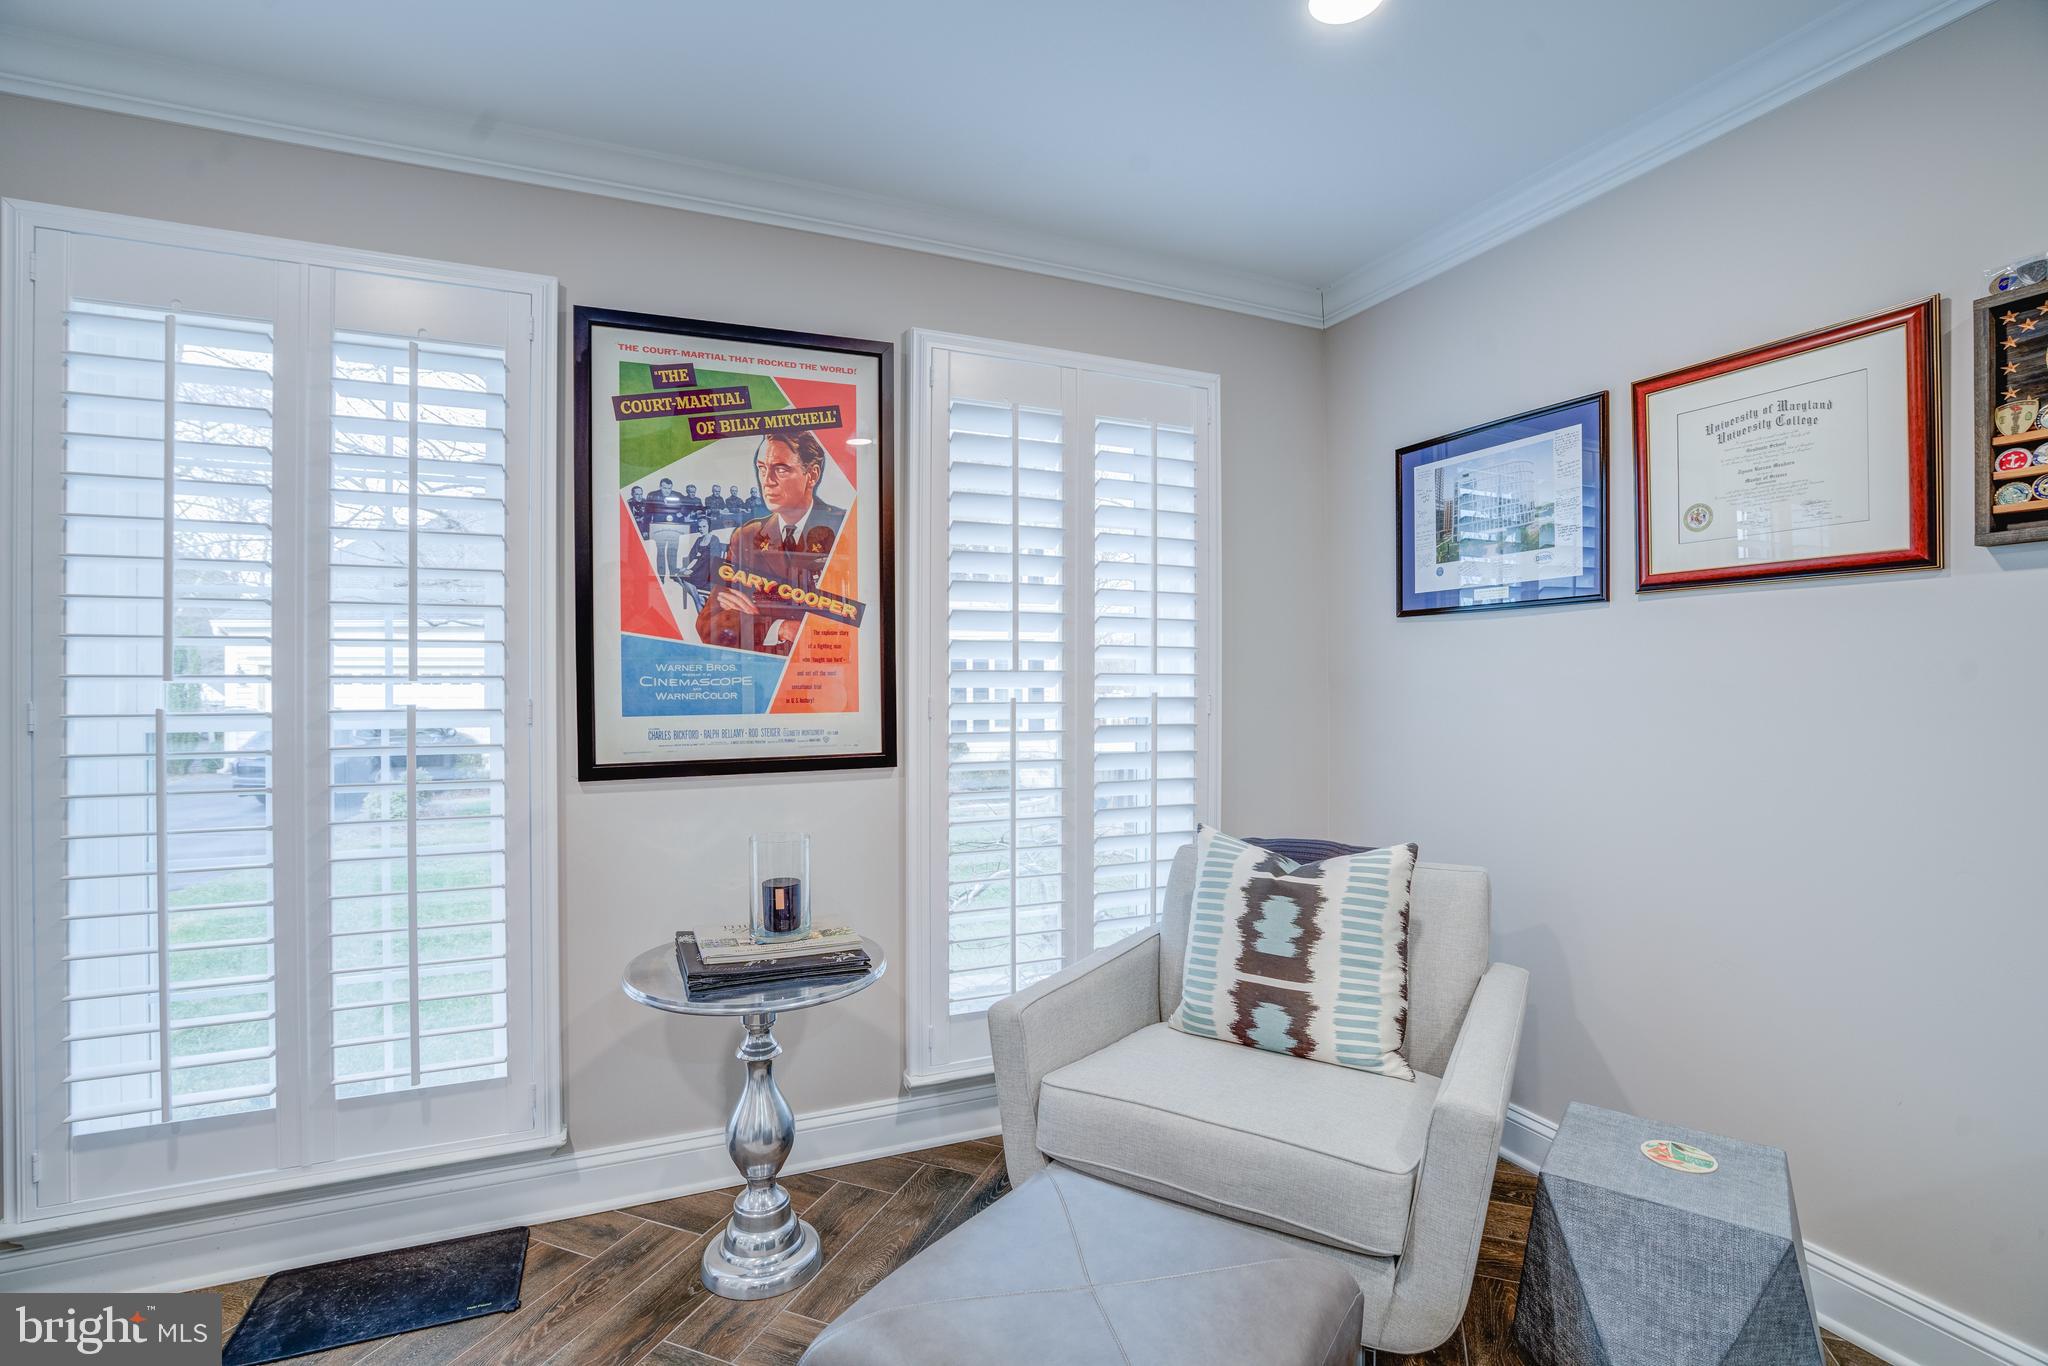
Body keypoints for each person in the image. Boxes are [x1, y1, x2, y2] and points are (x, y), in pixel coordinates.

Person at [695, 430, 845, 654]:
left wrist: (751, 618)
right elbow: (710, 623)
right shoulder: (746, 537)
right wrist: (780, 627)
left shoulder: (845, 528)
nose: (767, 481)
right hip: (765, 666)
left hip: (825, 663)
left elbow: (858, 616)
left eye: (781, 469)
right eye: (762, 468)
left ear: (812, 475)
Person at [646, 477, 689, 582]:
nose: (667, 491)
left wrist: (682, 513)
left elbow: (688, 505)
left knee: (673, 551)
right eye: (664, 488)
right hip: (659, 528)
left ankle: (673, 573)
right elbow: (647, 513)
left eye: (669, 488)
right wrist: (645, 529)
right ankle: (661, 576)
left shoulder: (678, 495)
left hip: (674, 528)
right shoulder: (652, 495)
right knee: (660, 552)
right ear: (660, 486)